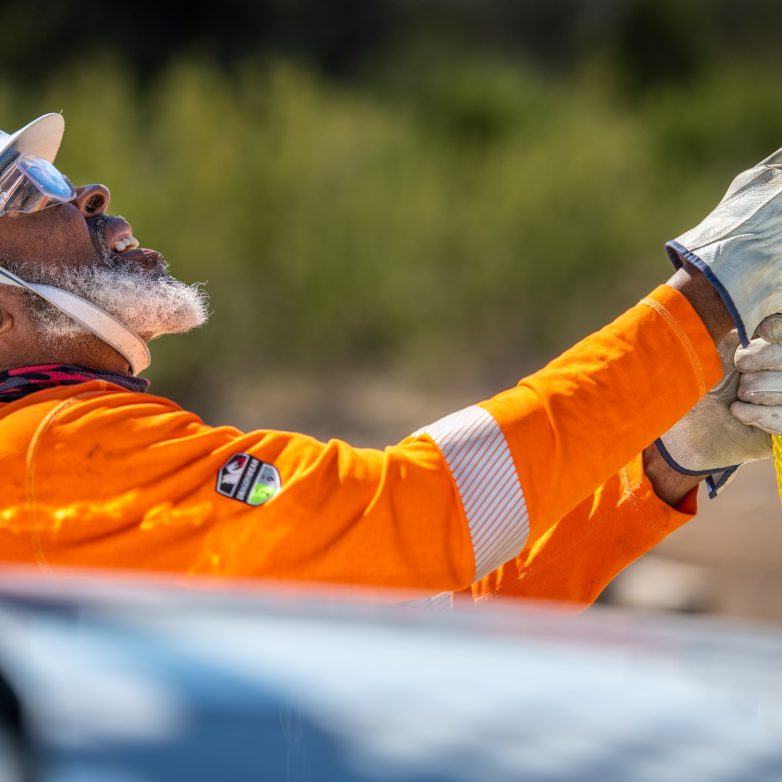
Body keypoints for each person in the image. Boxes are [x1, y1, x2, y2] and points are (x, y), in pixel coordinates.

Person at [0, 113, 781, 608]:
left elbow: (437, 622)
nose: (90, 194)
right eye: (30, 188)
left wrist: (670, 461)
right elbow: (423, 512)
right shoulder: (48, 453)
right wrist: (713, 295)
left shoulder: (66, 458)